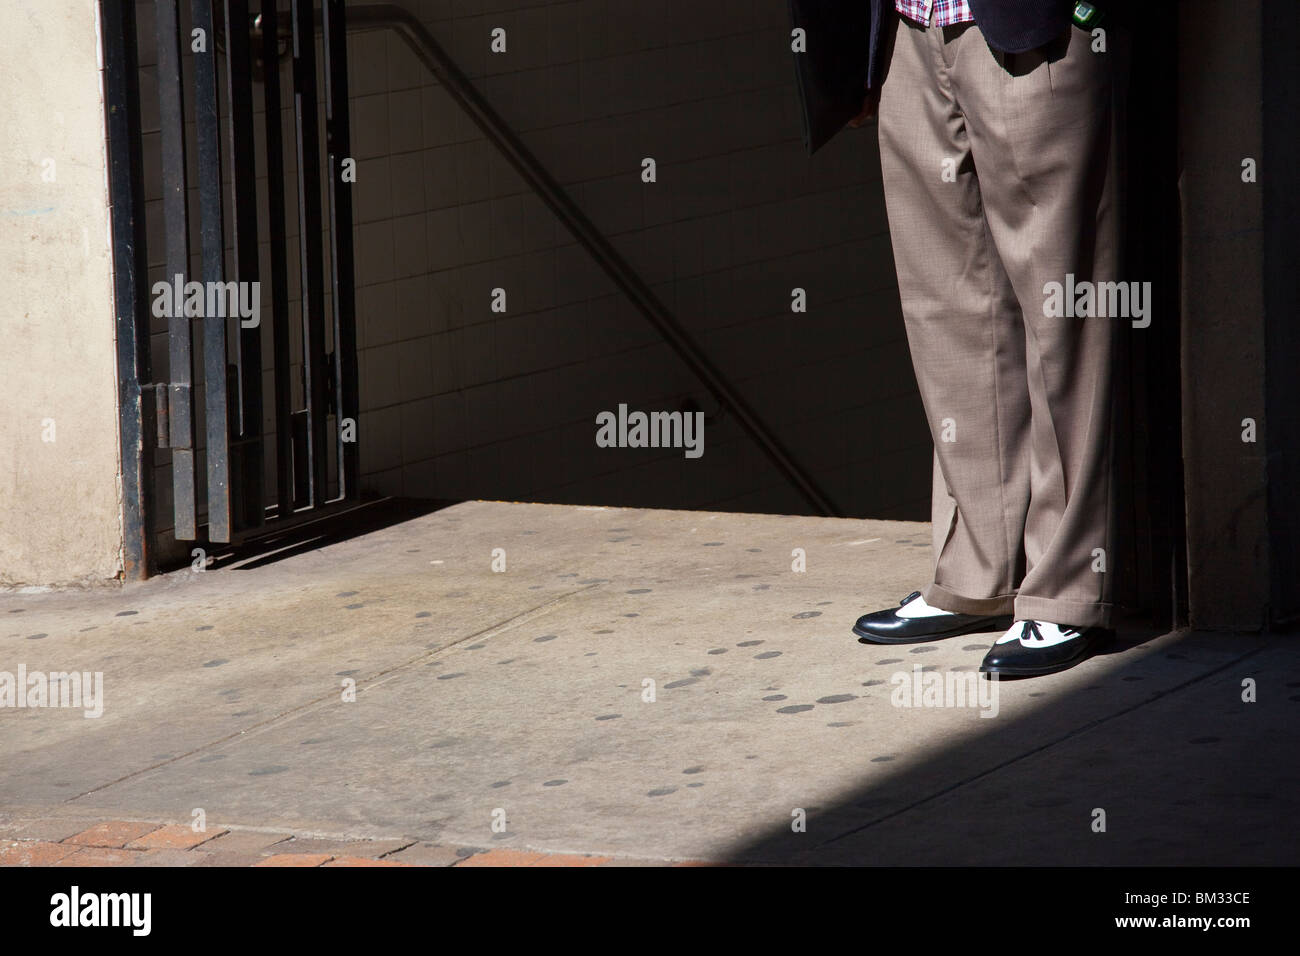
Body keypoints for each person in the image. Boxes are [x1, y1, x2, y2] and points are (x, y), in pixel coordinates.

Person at [837, 0, 1127, 677]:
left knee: (1062, 313)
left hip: (1031, 26)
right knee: (946, 304)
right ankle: (975, 572)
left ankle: (1066, 592)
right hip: (910, 32)